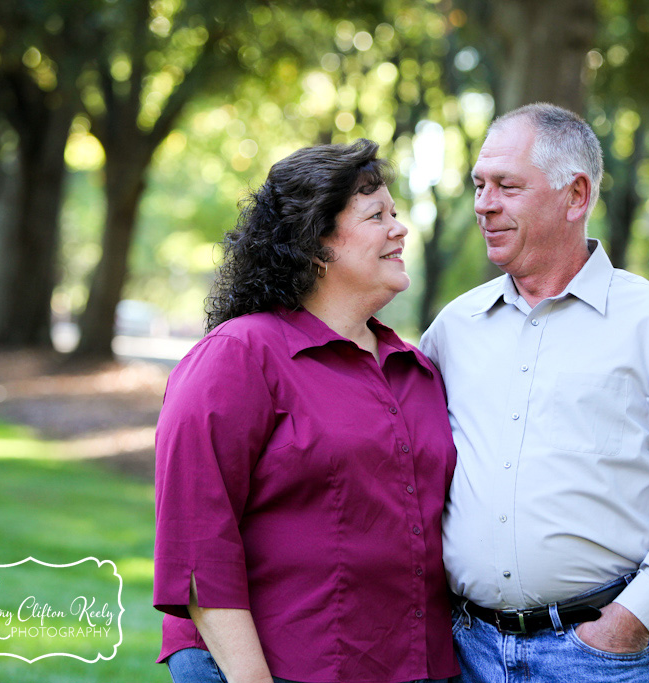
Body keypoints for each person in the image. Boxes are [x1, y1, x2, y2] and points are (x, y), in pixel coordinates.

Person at [420, 103, 649, 682]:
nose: (483, 204)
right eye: (479, 185)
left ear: (576, 196)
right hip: (465, 652)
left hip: (598, 658)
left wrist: (631, 618)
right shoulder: (453, 330)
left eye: (506, 186)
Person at [153, 139, 460, 683]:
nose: (399, 229)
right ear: (316, 243)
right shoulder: (239, 355)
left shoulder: (417, 370)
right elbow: (197, 544)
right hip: (278, 666)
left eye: (396, 213)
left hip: (418, 666)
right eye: (376, 215)